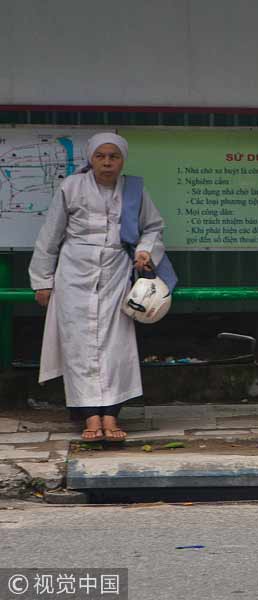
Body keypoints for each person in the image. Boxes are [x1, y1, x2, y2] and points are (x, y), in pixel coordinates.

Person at [29, 133, 168, 442]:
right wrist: (42, 280)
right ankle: (90, 417)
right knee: (78, 345)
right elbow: (49, 237)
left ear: (122, 160)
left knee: (115, 344)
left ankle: (111, 415)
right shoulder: (71, 187)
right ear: (91, 159)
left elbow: (154, 227)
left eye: (113, 156)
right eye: (101, 156)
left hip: (116, 273)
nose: (107, 162)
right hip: (74, 274)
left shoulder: (134, 190)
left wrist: (145, 250)